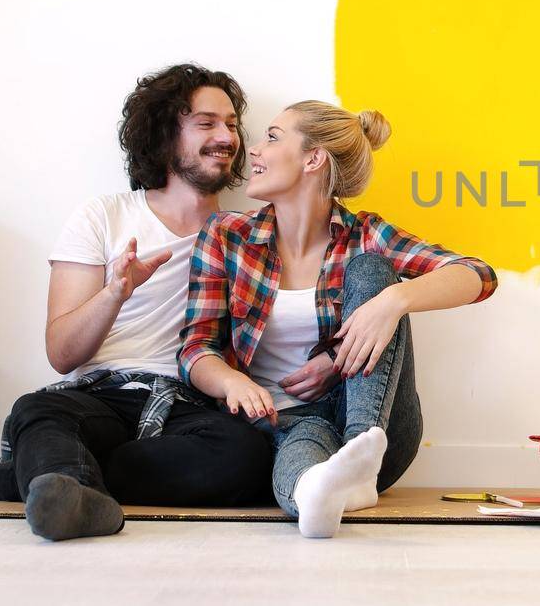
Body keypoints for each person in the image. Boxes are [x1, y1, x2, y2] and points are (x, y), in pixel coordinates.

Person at [0, 64, 274, 541]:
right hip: (101, 400)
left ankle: (29, 478)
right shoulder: (103, 215)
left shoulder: (247, 233)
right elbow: (63, 354)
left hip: (190, 406)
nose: (227, 137)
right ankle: (67, 488)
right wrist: (114, 293)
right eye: (206, 123)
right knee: (36, 411)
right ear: (165, 134)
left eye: (231, 124)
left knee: (248, 456)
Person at [180, 100, 496, 538]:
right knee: (305, 463)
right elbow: (197, 347)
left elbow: (477, 275)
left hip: (374, 422)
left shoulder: (365, 234)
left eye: (272, 137)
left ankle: (362, 449)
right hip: (278, 424)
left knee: (372, 272)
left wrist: (390, 303)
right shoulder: (225, 236)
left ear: (313, 158)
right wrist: (235, 382)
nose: (253, 149)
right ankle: (327, 491)